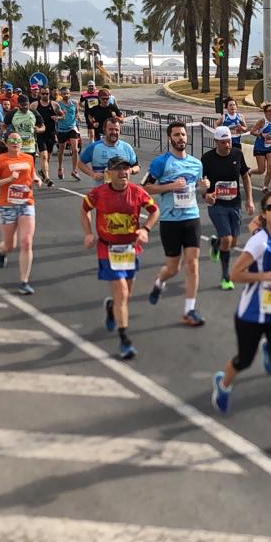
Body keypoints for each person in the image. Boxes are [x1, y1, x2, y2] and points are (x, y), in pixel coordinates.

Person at [211, 187, 271, 449]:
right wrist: (268, 277)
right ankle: (223, 383)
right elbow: (235, 274)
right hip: (252, 314)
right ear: (264, 214)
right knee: (244, 360)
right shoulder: (259, 241)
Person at [81, 156, 160, 360]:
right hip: (108, 250)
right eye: (118, 169)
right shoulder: (98, 193)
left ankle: (111, 307)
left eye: (125, 169)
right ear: (109, 173)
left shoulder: (137, 192)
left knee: (125, 295)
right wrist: (88, 233)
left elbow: (154, 211)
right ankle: (124, 340)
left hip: (129, 250)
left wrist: (146, 229)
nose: (123, 172)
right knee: (123, 293)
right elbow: (84, 209)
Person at [143, 120, 210, 326]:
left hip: (191, 217)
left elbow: (201, 192)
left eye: (183, 135)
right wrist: (171, 186)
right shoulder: (161, 162)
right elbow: (145, 187)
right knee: (173, 268)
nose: (181, 138)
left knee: (193, 264)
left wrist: (205, 188)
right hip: (170, 220)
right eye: (177, 135)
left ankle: (189, 310)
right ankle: (159, 280)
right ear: (169, 138)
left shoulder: (196, 163)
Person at [0, 132, 40, 295]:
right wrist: (7, 180)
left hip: (26, 203)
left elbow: (32, 173)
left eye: (18, 140)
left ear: (21, 144)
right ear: (7, 144)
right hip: (7, 205)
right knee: (9, 245)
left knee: (26, 242)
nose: (15, 143)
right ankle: (2, 252)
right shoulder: (0, 160)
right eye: (12, 141)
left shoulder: (28, 158)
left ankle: (24, 281)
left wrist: (37, 179)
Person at [201, 125, 255, 290]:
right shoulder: (207, 158)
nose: (227, 145)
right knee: (228, 239)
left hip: (234, 203)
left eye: (229, 141)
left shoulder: (237, 154)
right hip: (216, 204)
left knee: (233, 242)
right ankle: (226, 276)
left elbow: (245, 177)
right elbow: (201, 182)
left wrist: (250, 200)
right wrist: (205, 195)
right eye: (223, 142)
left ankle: (216, 244)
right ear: (216, 141)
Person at [77, 116, 139, 183]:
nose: (114, 132)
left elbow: (137, 166)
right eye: (111, 129)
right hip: (102, 191)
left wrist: (131, 170)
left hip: (122, 190)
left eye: (116, 130)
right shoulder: (94, 147)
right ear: (104, 130)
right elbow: (80, 163)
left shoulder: (126, 147)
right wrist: (92, 174)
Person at [250, 102, 271, 188]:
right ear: (265, 112)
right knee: (261, 170)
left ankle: (265, 187)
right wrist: (262, 135)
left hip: (270, 147)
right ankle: (250, 172)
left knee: (270, 168)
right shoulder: (262, 121)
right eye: (270, 110)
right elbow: (252, 131)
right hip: (260, 147)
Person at [35, 90, 60, 183]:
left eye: (47, 93)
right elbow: (28, 115)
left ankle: (43, 171)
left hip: (51, 134)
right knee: (44, 156)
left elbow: (62, 115)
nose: (45, 95)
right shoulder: (35, 105)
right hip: (40, 134)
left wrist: (58, 118)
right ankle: (47, 178)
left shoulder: (54, 105)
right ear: (40, 94)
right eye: (43, 93)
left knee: (48, 157)